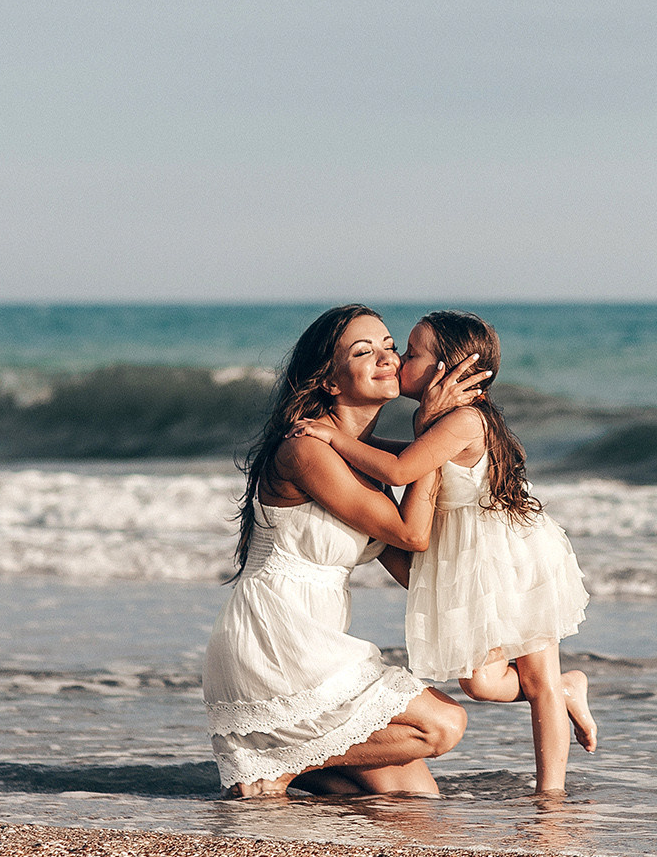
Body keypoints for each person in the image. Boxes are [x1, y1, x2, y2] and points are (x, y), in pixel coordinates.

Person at [304, 310, 595, 795]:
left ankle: (552, 796)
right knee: (480, 682)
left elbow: (400, 471)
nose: (397, 359)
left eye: (411, 353)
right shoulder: (443, 422)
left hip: (513, 555)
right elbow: (406, 454)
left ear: (446, 370)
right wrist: (363, 439)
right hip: (470, 556)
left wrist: (336, 438)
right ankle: (570, 687)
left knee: (538, 679)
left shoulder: (462, 420)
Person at [202, 304, 483, 799]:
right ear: (330, 381)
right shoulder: (306, 449)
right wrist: (433, 432)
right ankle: (276, 764)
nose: (387, 359)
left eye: (391, 347)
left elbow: (415, 571)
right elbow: (410, 533)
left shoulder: (369, 462)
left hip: (317, 639)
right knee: (441, 726)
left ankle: (276, 773)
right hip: (274, 636)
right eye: (363, 351)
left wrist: (513, 631)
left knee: (413, 800)